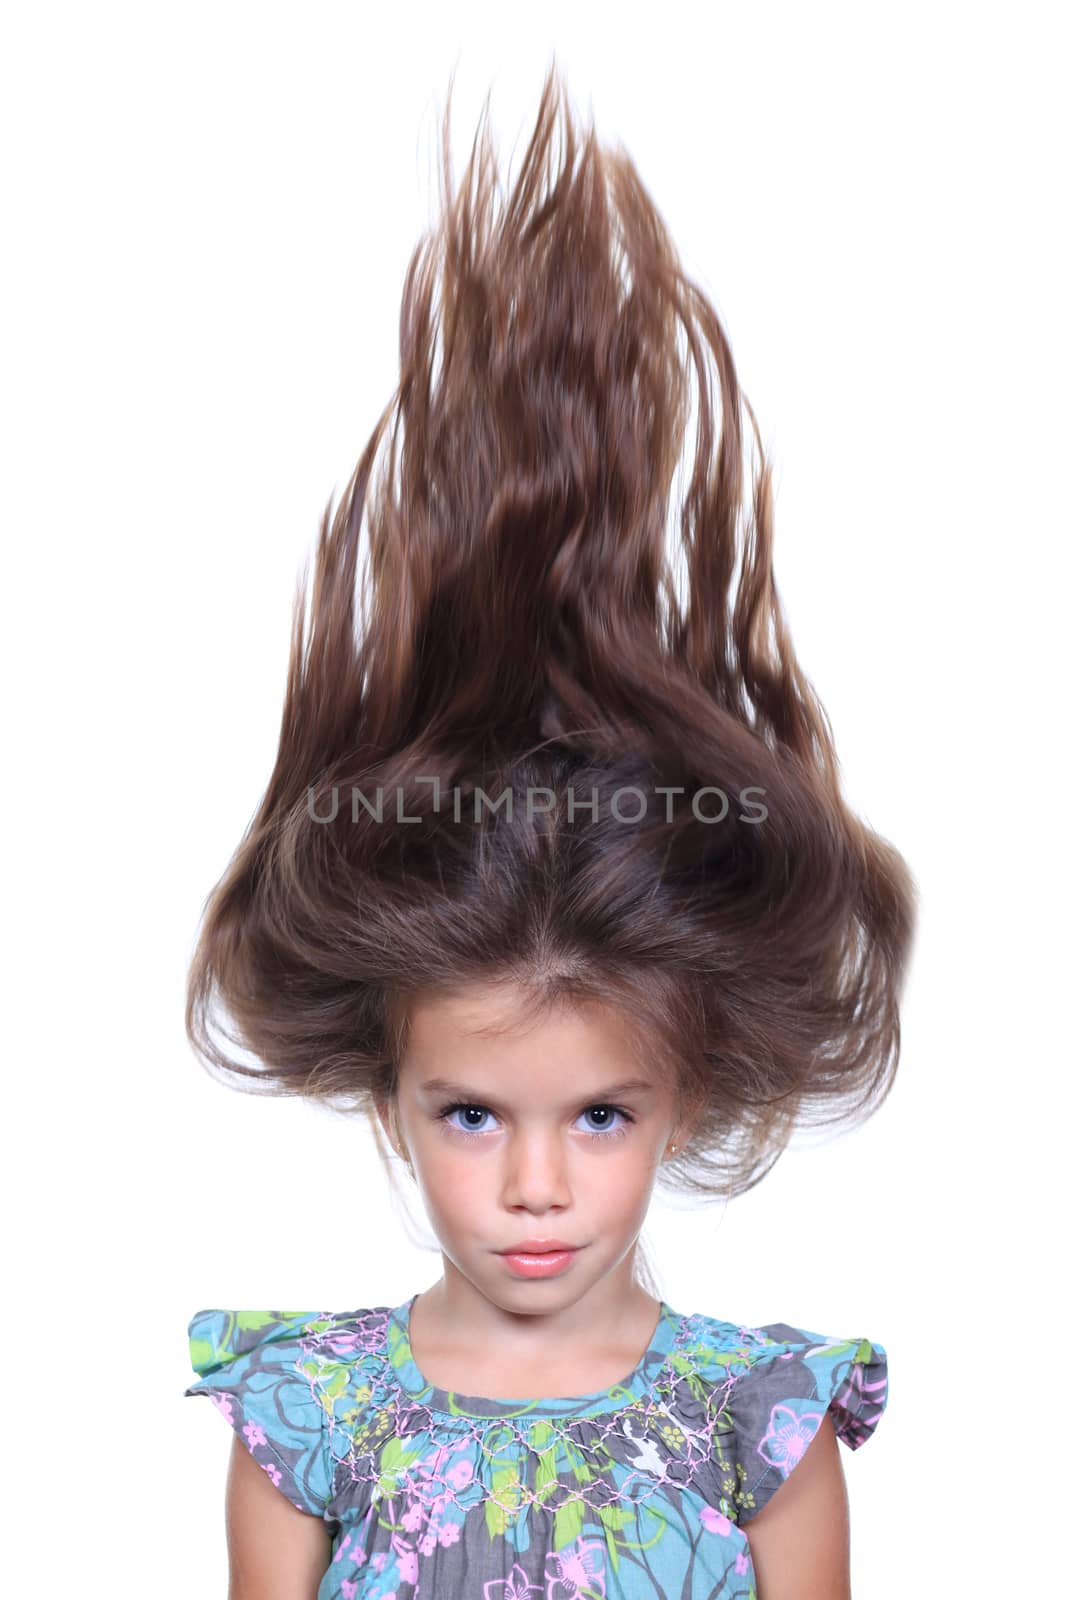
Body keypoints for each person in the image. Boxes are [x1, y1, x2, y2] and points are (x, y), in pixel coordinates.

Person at [182, 59, 915, 1600]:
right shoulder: (309, 1422)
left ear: (688, 1094)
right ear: (387, 1093)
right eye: (471, 1115)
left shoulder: (762, 1427)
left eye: (601, 1116)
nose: (536, 1188)